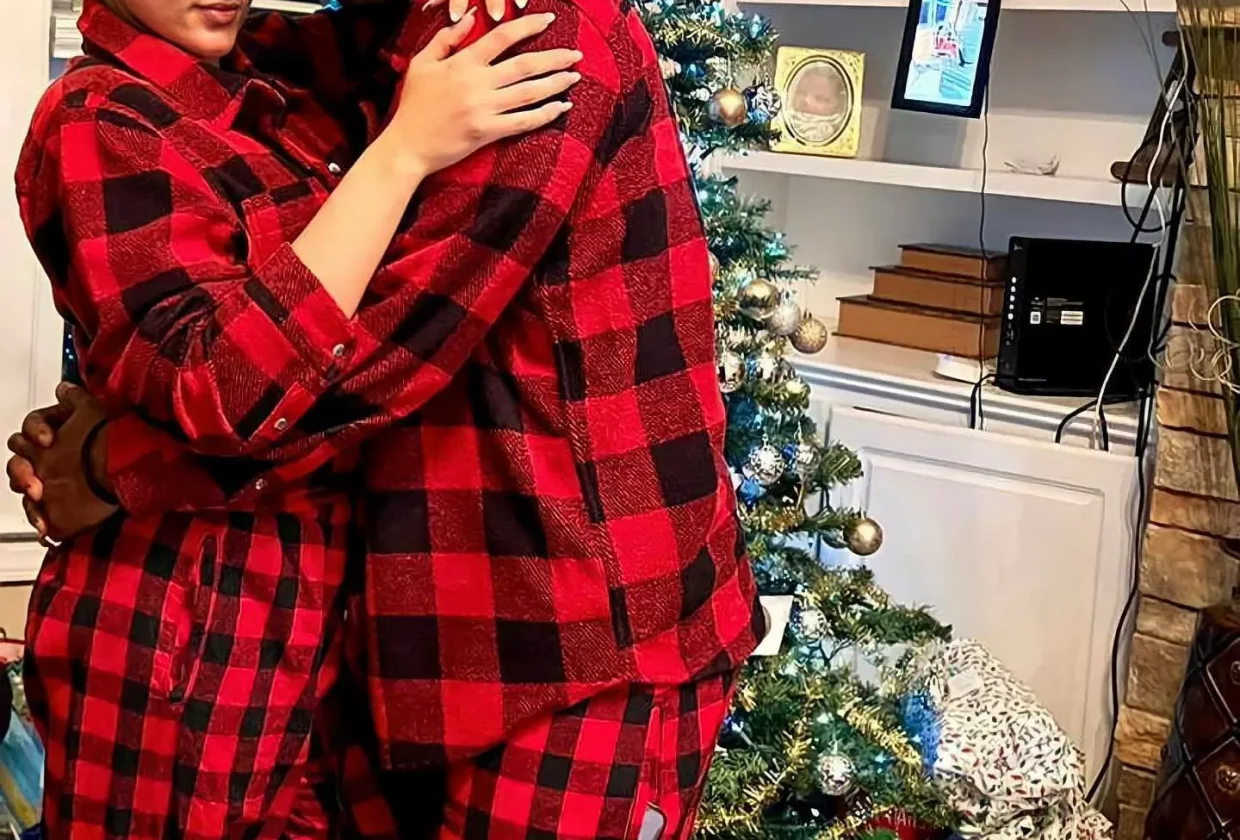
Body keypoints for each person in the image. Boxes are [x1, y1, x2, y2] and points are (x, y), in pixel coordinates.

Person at [11, 0, 766, 835]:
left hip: (579, 640)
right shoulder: (286, 66)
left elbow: (365, 356)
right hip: (389, 634)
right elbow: (238, 368)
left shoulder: (531, 36)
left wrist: (109, 468)